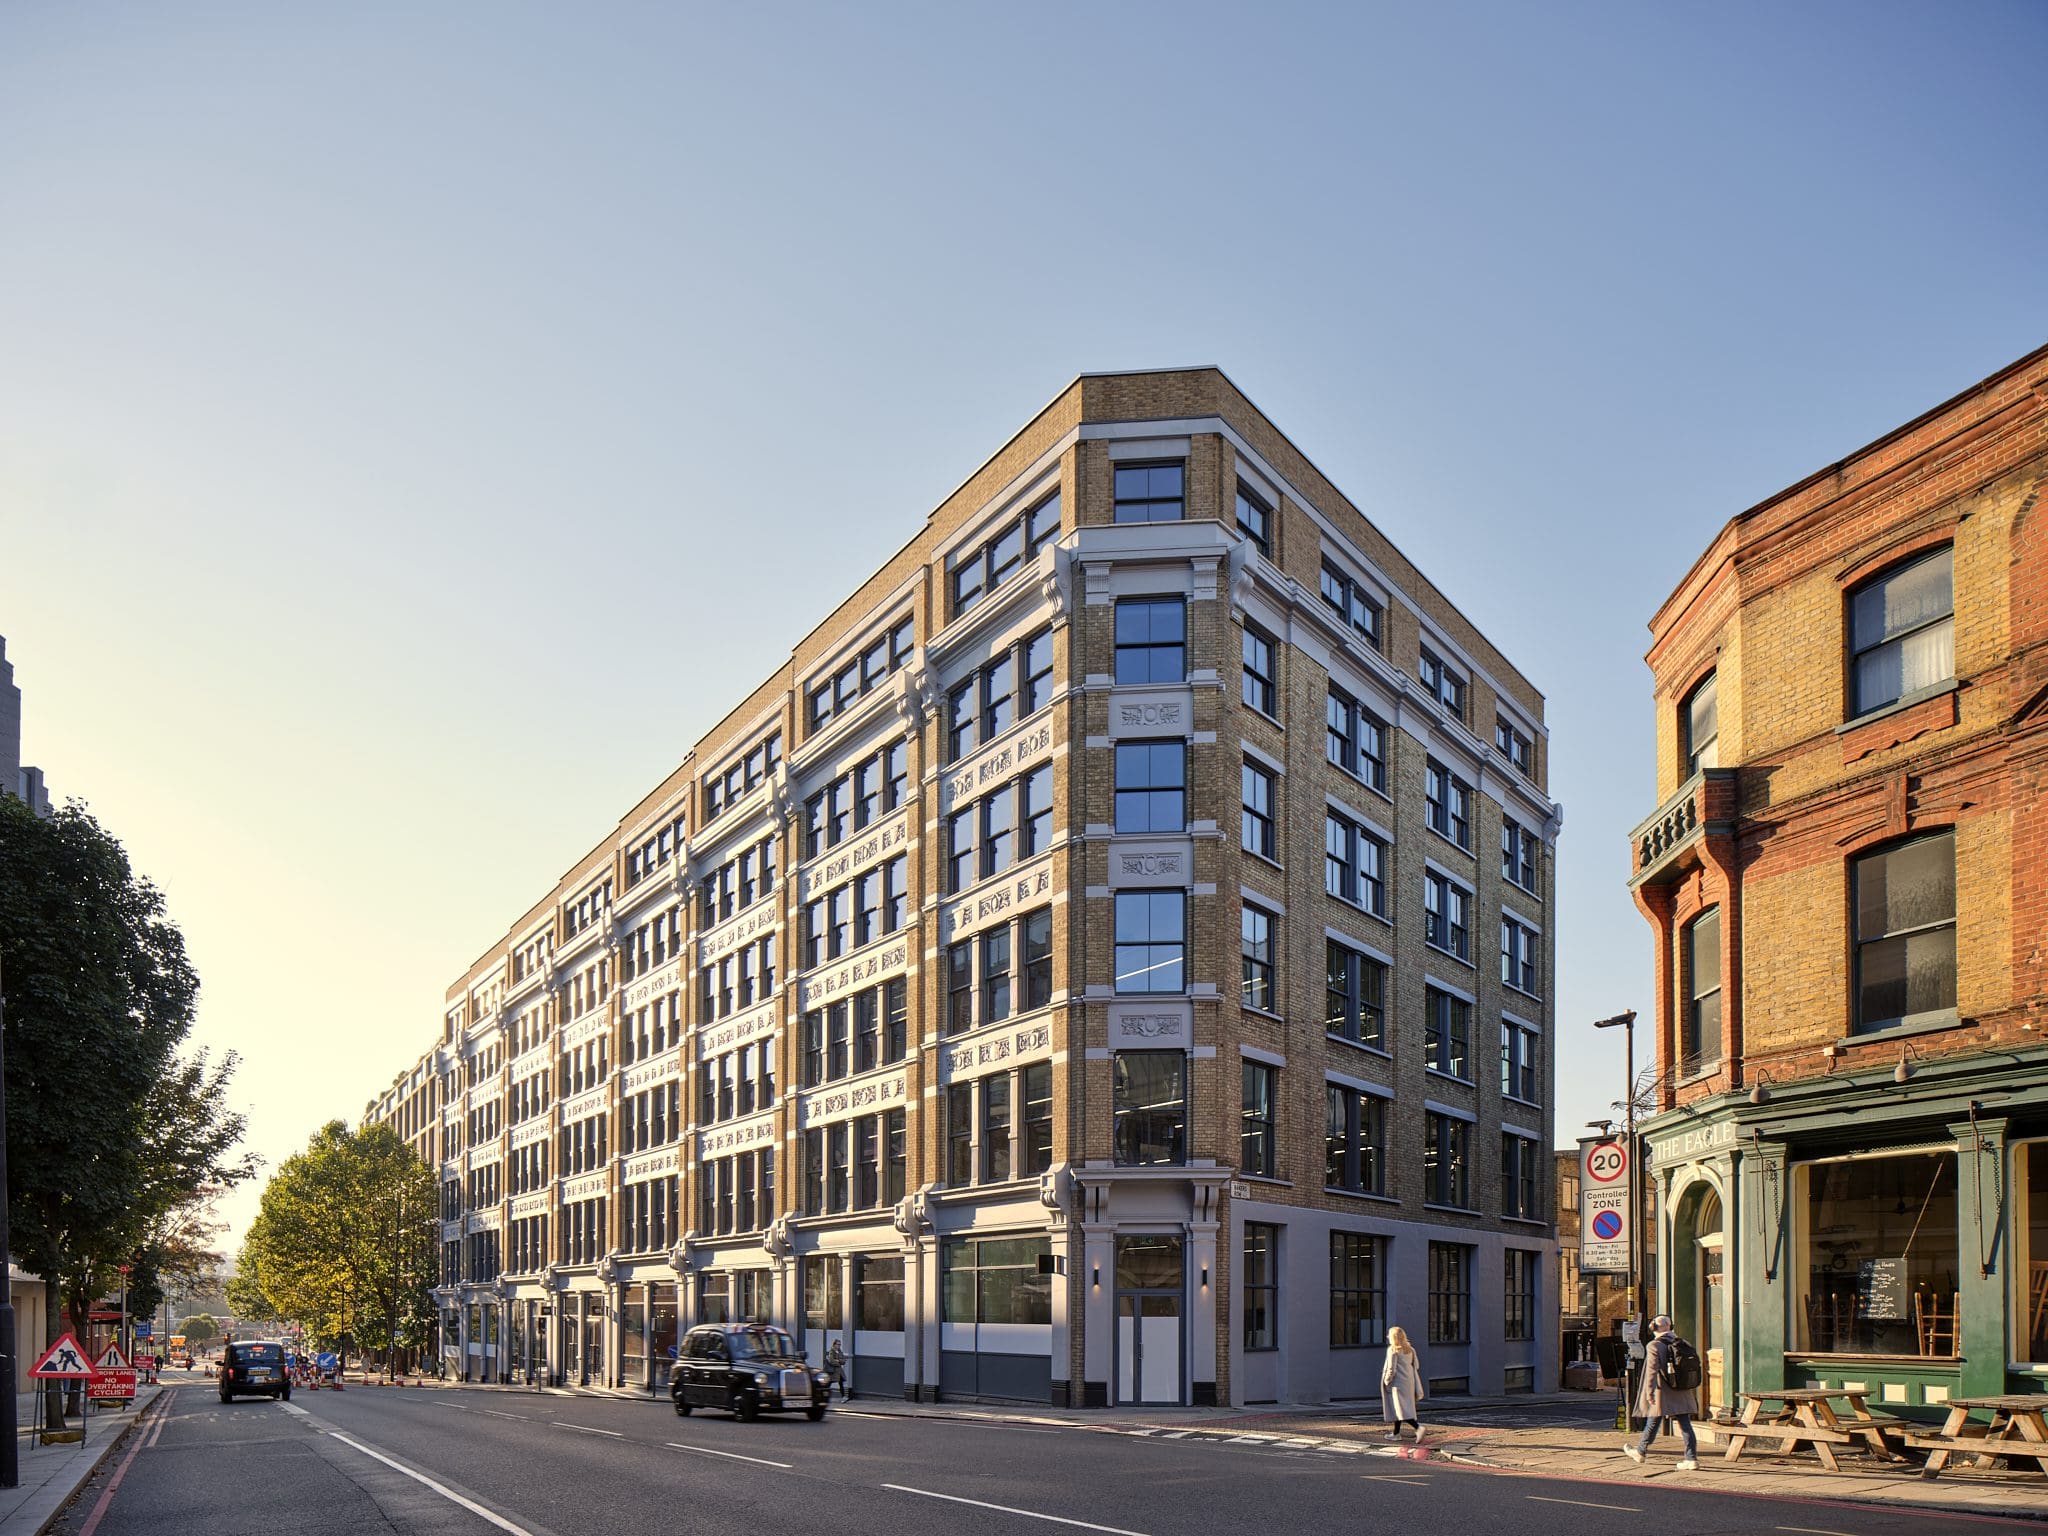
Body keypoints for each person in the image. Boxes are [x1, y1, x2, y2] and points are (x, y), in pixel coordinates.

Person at [1623, 1315, 1700, 1470]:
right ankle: (1691, 1458)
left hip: (1662, 1390)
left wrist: (1649, 1392)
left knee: (1653, 1420)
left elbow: (1651, 1371)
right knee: (1685, 1424)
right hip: (1681, 1389)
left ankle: (1641, 1451)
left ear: (1653, 1327)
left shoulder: (1654, 1345)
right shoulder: (1683, 1343)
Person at [1380, 1325, 1425, 1442]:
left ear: (1393, 1337)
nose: (1388, 1337)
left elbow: (1391, 1369)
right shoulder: (1410, 1349)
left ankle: (1418, 1427)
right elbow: (1416, 1366)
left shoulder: (1393, 1350)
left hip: (1397, 1383)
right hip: (1409, 1382)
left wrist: (1386, 1381)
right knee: (1400, 1407)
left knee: (1401, 1409)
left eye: (1389, 1335)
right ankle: (1396, 1433)